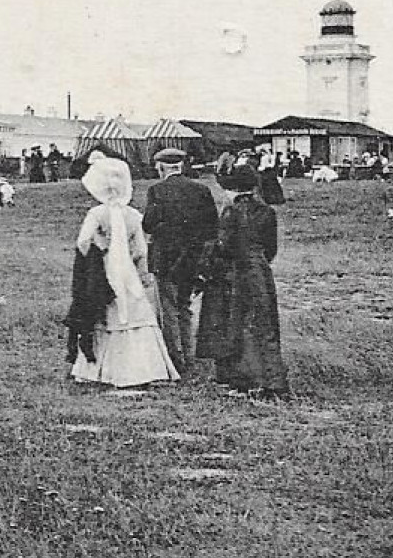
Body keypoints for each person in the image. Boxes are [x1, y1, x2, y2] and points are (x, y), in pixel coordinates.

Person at [68, 156, 179, 388]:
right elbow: (140, 250)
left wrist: (102, 247)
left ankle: (99, 369)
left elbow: (83, 242)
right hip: (127, 270)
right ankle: (141, 368)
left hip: (104, 269)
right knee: (133, 310)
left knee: (104, 310)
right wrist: (138, 270)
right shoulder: (132, 215)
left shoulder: (97, 214)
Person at [195, 165, 291, 399]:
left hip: (237, 272)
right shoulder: (268, 212)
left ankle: (246, 380)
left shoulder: (231, 212)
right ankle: (272, 379)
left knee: (238, 325)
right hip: (260, 271)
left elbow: (224, 246)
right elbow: (271, 248)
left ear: (234, 188)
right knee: (264, 324)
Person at [142, 148, 219, 376]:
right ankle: (189, 355)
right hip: (192, 258)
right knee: (185, 308)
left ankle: (175, 361)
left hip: (165, 259)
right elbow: (211, 227)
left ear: (162, 167)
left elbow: (147, 224)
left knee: (169, 309)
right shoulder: (202, 190)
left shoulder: (157, 191)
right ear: (181, 165)